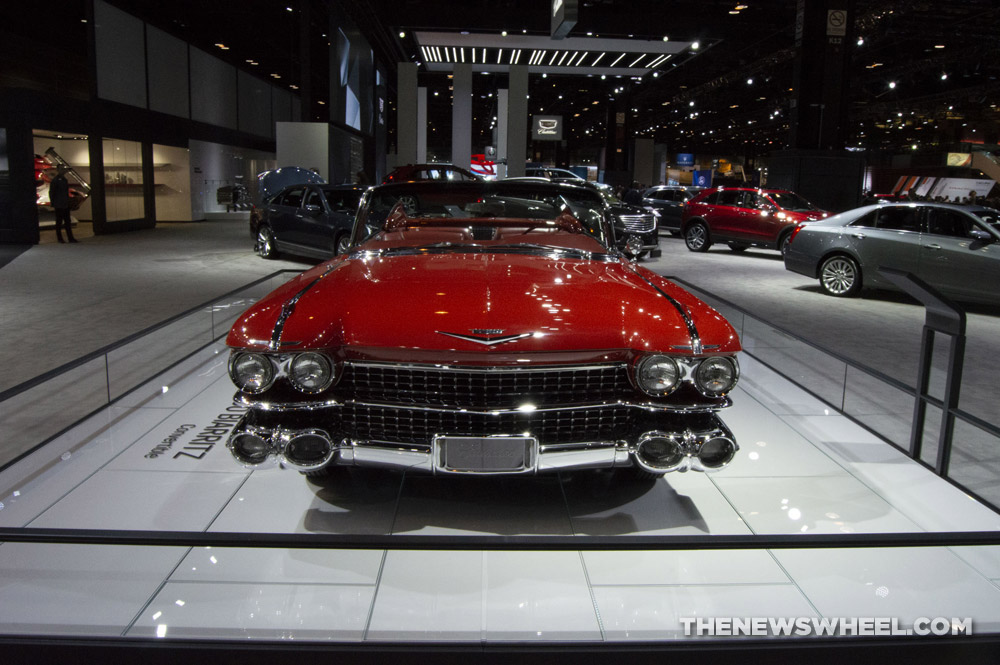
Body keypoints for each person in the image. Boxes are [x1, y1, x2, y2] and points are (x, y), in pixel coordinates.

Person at [49, 166, 77, 243]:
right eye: (61, 169)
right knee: (59, 222)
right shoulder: (56, 180)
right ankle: (61, 238)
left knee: (67, 221)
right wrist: (54, 203)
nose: (63, 171)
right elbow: (52, 193)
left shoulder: (63, 180)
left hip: (64, 204)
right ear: (58, 170)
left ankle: (70, 238)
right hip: (59, 204)